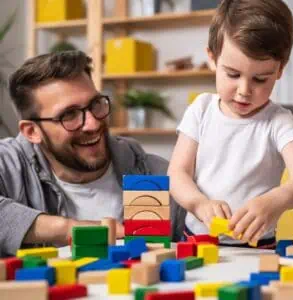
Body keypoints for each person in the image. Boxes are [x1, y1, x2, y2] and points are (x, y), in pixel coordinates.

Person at [168, 0, 293, 248]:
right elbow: (177, 173)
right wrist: (198, 203)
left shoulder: (278, 121)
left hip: (258, 247)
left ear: (280, 70)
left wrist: (276, 200)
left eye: (260, 79)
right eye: (233, 74)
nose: (244, 91)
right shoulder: (201, 109)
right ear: (212, 58)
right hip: (197, 240)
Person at [0, 51, 168, 257]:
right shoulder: (9, 164)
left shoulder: (149, 173)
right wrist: (69, 229)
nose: (93, 123)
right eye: (69, 114)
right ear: (32, 132)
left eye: (95, 104)